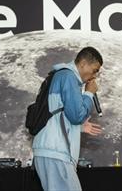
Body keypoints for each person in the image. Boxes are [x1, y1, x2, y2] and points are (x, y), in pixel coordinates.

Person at [32, 46, 103, 191]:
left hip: (48, 150)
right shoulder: (69, 77)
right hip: (56, 152)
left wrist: (80, 128)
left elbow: (57, 112)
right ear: (83, 63)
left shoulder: (60, 76)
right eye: (95, 70)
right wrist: (89, 93)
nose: (94, 76)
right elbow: (76, 116)